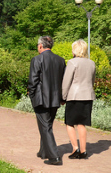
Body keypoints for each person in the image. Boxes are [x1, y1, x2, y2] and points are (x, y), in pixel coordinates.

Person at [27, 36, 66, 165]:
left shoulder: (37, 59)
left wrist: (31, 95)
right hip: (55, 100)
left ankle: (54, 157)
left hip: (41, 99)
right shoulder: (60, 60)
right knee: (47, 126)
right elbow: (63, 81)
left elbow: (33, 81)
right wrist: (62, 98)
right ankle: (44, 152)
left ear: (40, 46)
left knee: (45, 127)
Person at [61, 39, 96, 159]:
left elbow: (66, 82)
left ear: (74, 50)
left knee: (69, 123)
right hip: (88, 96)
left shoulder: (72, 62)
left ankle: (75, 148)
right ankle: (83, 151)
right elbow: (92, 81)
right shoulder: (91, 63)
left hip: (74, 96)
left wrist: (63, 97)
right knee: (82, 124)